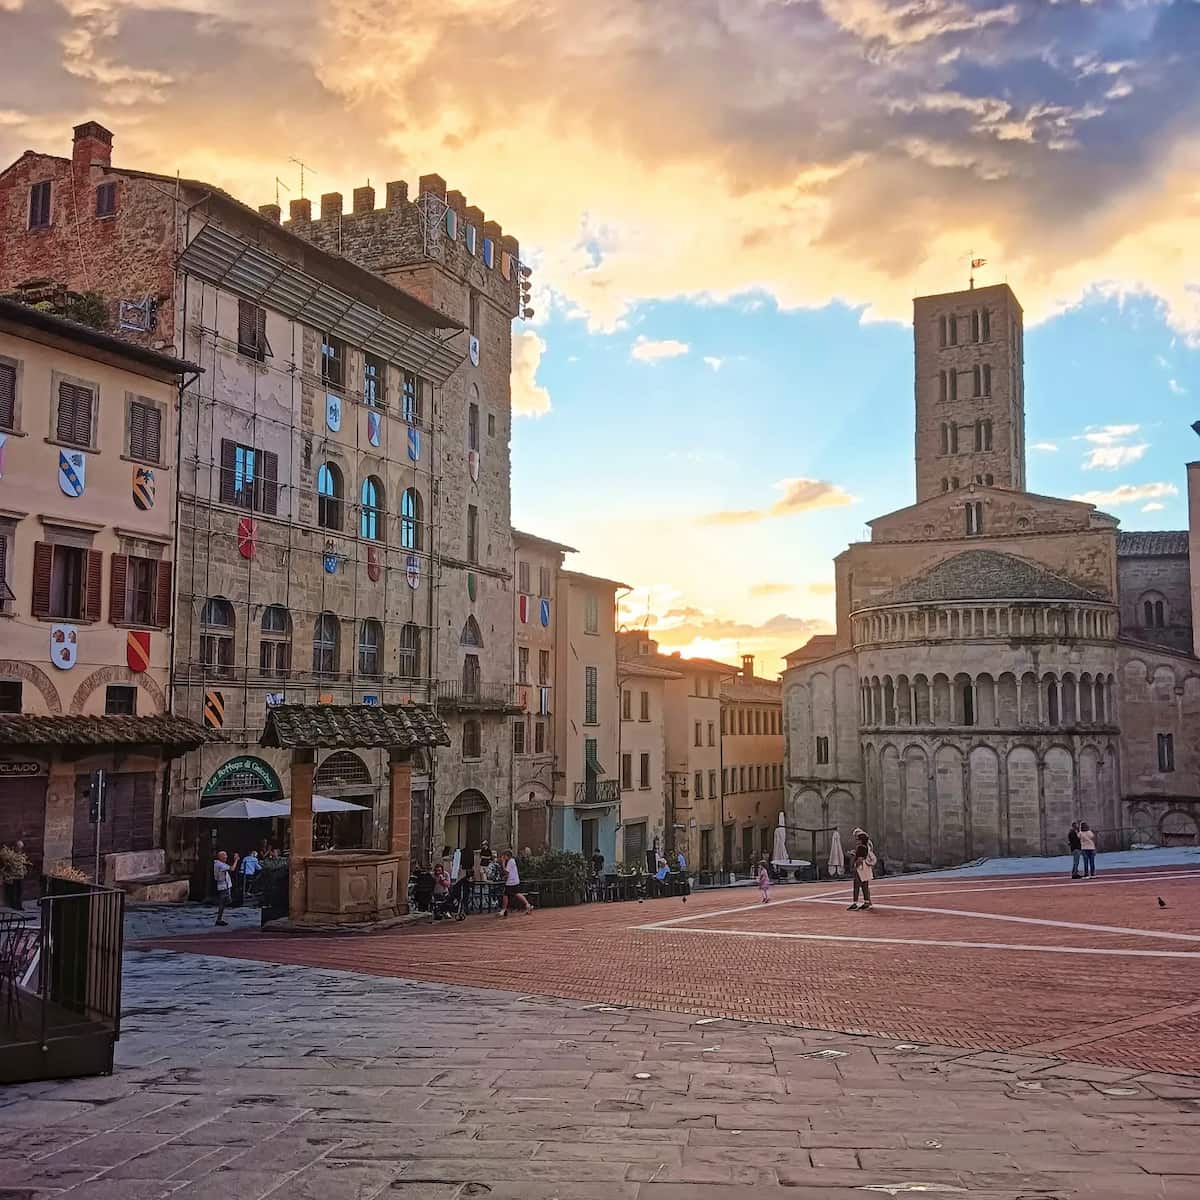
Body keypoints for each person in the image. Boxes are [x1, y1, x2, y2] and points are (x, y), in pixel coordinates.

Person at [497, 850, 532, 917]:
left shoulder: (510, 862)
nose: (503, 857)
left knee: (506, 894)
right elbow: (509, 873)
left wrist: (503, 863)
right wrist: (505, 877)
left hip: (511, 882)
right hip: (513, 880)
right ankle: (527, 905)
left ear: (507, 856)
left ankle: (503, 910)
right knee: (515, 893)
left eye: (504, 856)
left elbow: (506, 871)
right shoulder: (512, 861)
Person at [848, 834, 875, 911]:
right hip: (866, 868)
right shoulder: (867, 847)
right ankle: (867, 902)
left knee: (856, 885)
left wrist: (854, 865)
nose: (856, 841)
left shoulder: (860, 847)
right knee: (865, 885)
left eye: (858, 839)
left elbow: (859, 859)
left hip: (860, 868)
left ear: (861, 840)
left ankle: (855, 903)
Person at [213, 849, 239, 926]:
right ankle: (219, 919)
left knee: (223, 902)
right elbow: (232, 868)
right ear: (220, 857)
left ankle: (219, 919)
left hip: (224, 885)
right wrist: (236, 860)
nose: (226, 857)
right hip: (224, 886)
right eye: (224, 856)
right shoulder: (220, 865)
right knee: (226, 901)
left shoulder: (219, 864)